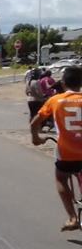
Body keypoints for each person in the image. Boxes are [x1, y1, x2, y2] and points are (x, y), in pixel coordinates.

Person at [31, 65, 82, 231]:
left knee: (61, 178)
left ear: (63, 82)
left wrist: (36, 138)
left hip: (66, 153)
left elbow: (34, 123)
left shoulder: (55, 100)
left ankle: (73, 218)